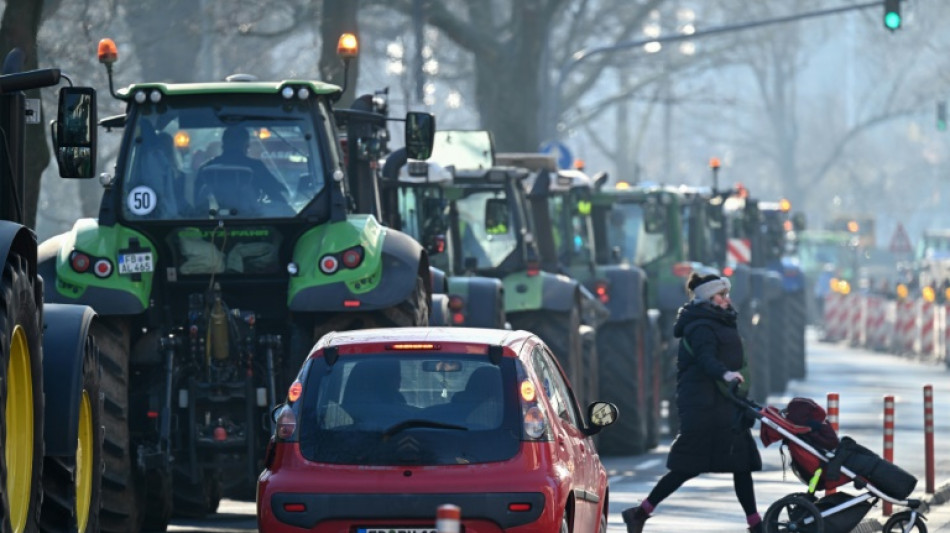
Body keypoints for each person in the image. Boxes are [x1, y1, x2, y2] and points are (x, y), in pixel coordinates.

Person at [622, 272, 763, 533]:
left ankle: (756, 524)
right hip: (703, 408)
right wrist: (725, 374)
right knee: (686, 467)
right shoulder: (701, 327)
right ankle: (639, 513)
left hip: (724, 404)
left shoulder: (719, 321)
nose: (727, 299)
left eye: (726, 294)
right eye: (721, 295)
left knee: (741, 464)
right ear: (708, 298)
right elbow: (705, 358)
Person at [197, 125, 291, 215]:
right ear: (246, 145)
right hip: (251, 222)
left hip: (212, 222)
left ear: (223, 144)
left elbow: (195, 201)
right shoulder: (256, 167)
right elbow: (277, 195)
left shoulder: (206, 169)